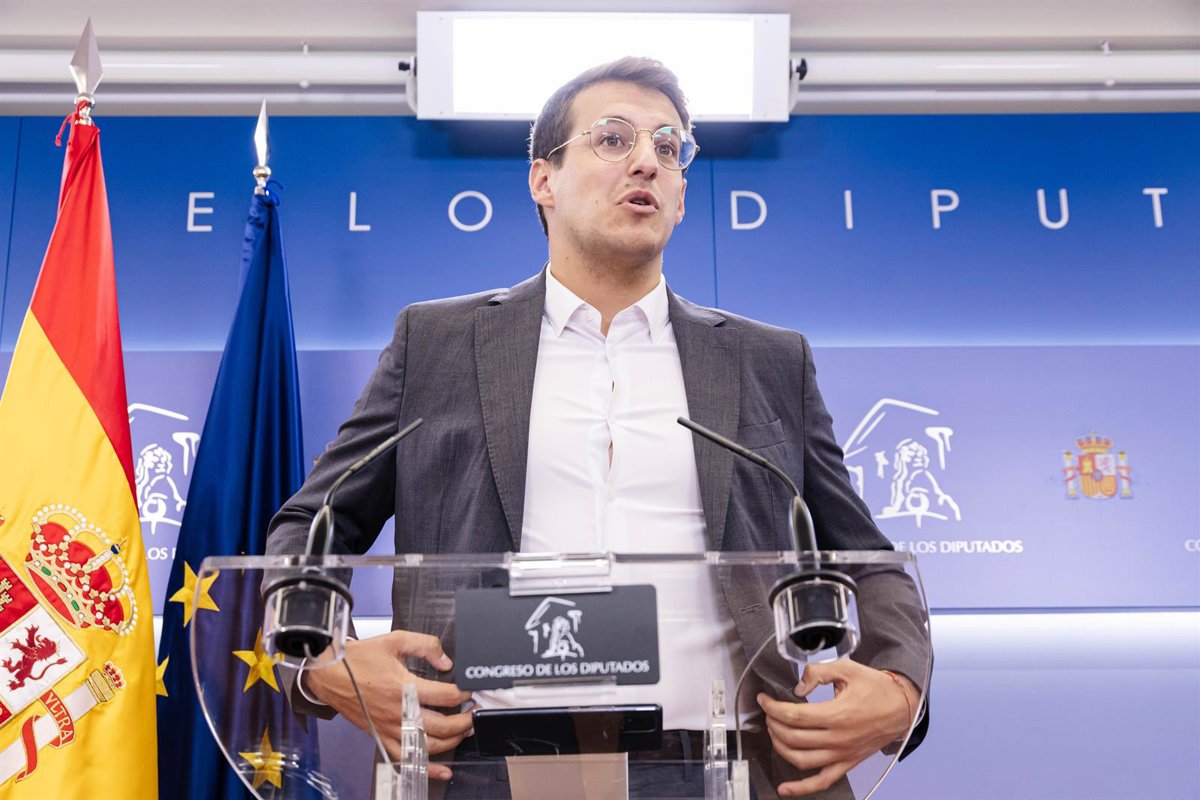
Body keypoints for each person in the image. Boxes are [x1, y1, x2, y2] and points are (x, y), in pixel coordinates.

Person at [267, 56, 929, 797]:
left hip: (732, 766)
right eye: (614, 139)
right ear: (543, 180)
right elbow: (309, 528)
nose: (647, 161)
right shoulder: (436, 345)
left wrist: (900, 686)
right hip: (485, 768)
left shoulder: (769, 361)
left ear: (681, 198)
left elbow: (868, 558)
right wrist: (323, 663)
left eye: (669, 148)